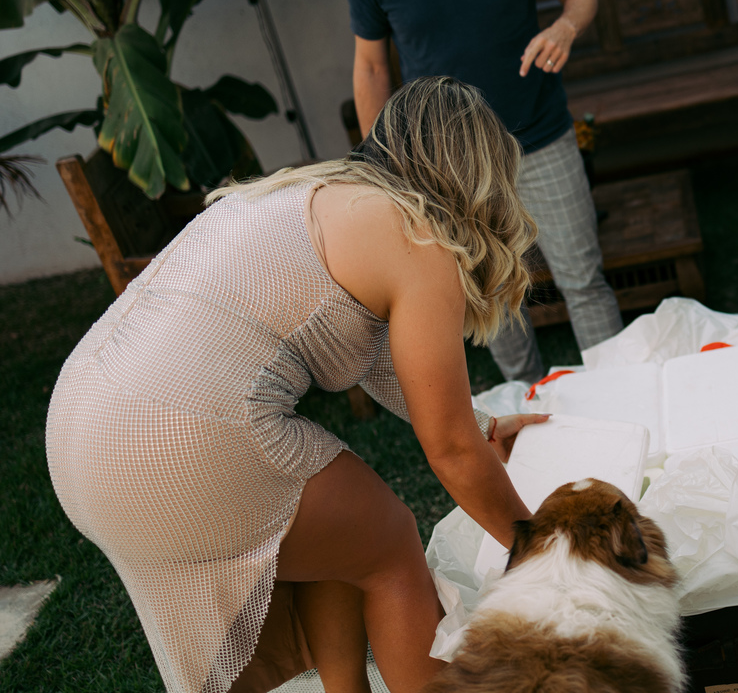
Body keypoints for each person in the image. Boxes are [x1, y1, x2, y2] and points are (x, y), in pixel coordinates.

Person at [46, 77, 549, 693]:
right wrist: (541, 549)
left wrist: (484, 424)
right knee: (390, 544)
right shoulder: (417, 236)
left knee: (345, 535)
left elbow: (383, 364)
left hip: (77, 433)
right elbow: (448, 447)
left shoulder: (303, 191)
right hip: (175, 437)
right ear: (477, 179)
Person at [344, 0, 624, 383]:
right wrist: (379, 170)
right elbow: (370, 67)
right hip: (450, 164)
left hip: (540, 135)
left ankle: (620, 390)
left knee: (583, 280)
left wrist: (565, 27)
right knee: (492, 294)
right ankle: (526, 400)